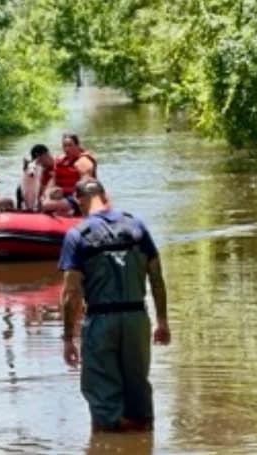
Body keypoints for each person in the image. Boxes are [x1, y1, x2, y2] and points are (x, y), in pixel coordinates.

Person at [58, 178, 170, 432]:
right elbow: (156, 277)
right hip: (137, 319)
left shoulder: (77, 236)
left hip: (101, 321)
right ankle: (143, 442)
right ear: (105, 195)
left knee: (103, 397)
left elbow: (70, 293)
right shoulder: (137, 227)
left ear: (78, 200)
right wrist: (162, 321)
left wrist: (67, 337)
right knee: (139, 393)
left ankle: (109, 444)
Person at [42, 133, 97, 215]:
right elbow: (53, 181)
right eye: (64, 146)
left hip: (76, 198)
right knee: (44, 202)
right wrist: (47, 194)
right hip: (62, 196)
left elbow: (86, 184)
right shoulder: (60, 161)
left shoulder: (84, 161)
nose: (67, 149)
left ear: (77, 145)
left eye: (70, 145)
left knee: (47, 205)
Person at [16, 144, 54, 211]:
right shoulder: (43, 172)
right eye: (38, 163)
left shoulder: (60, 163)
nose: (39, 165)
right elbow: (40, 193)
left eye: (39, 161)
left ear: (45, 155)